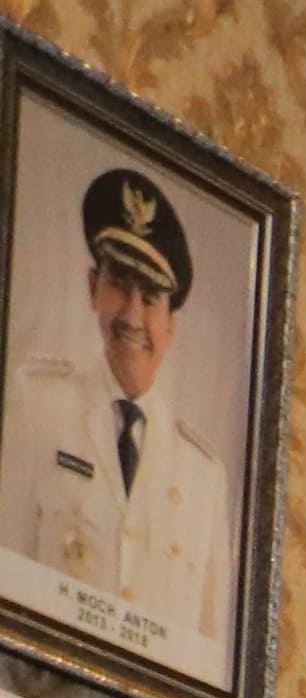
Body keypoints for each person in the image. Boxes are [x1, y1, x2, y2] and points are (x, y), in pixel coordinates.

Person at [5, 169, 235, 653]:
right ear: (93, 288)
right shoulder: (36, 406)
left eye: (150, 298)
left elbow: (207, 655)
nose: (131, 315)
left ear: (170, 325)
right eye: (119, 285)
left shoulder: (204, 476)